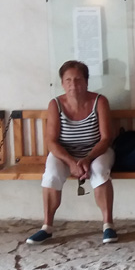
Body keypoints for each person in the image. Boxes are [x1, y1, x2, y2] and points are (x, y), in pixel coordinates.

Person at [26, 60, 117, 245]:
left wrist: (88, 159)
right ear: (62, 83)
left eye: (78, 79)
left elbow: (106, 138)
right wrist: (70, 162)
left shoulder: (99, 101)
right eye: (68, 80)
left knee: (100, 171)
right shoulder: (56, 104)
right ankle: (47, 227)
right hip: (64, 154)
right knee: (51, 174)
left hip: (96, 152)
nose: (73, 85)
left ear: (86, 81)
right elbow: (51, 141)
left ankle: (108, 225)